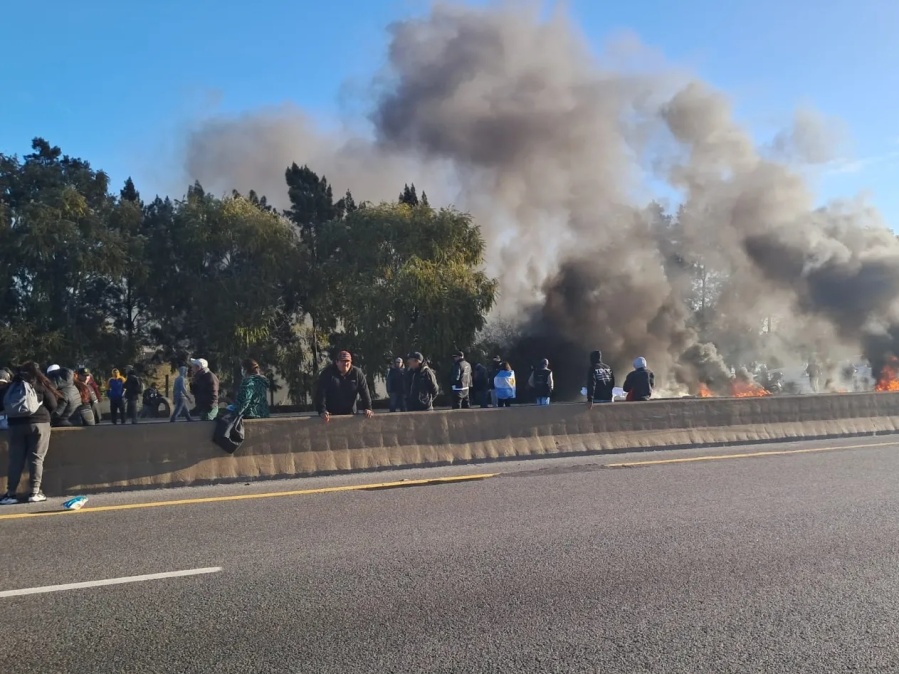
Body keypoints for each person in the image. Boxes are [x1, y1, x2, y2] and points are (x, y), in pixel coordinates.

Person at [0, 362, 63, 504]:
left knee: (16, 460)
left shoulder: (12, 386)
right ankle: (34, 492)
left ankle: (11, 494)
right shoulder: (41, 384)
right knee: (36, 458)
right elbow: (53, 404)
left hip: (15, 425)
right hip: (39, 423)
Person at [316, 350, 373, 422]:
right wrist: (322, 410)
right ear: (337, 362)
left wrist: (368, 408)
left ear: (351, 362)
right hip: (331, 416)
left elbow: (365, 392)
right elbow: (321, 394)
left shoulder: (357, 373)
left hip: (351, 415)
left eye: (347, 361)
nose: (345, 363)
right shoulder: (327, 373)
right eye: (342, 361)